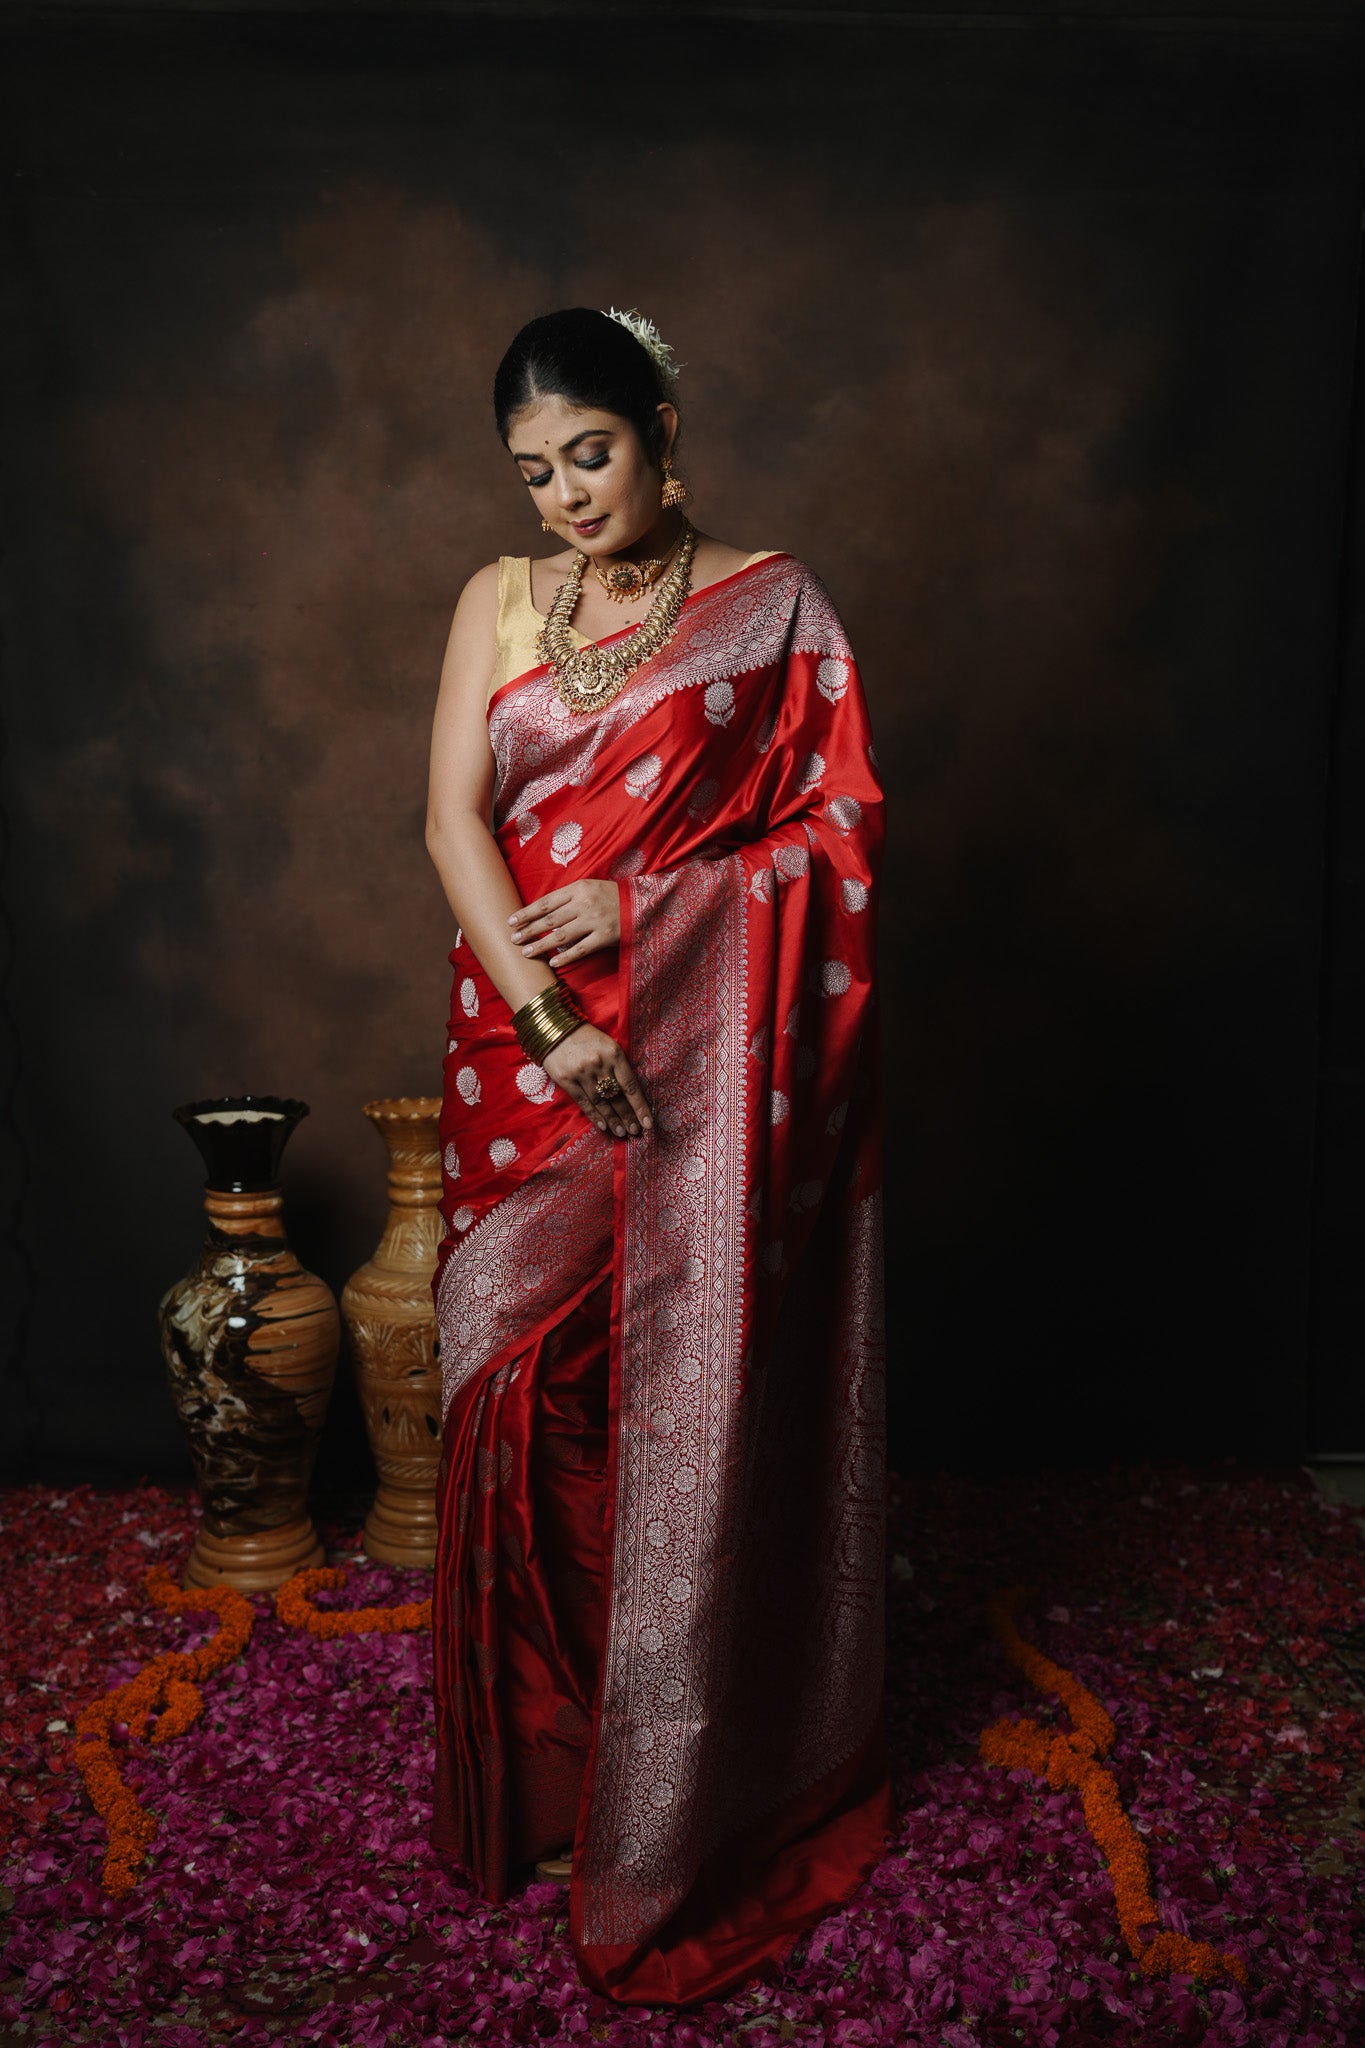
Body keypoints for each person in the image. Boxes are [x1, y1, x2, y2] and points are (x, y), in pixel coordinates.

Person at [423, 305, 893, 2007]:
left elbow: (836, 836)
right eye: (534, 472)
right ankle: (544, 1784)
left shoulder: (772, 605)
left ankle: (668, 1779)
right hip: (523, 1055)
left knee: (643, 1407)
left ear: (663, 431)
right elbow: (451, 821)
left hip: (699, 1048)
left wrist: (649, 909)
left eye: (591, 454)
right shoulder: (495, 598)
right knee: (514, 1405)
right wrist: (551, 1017)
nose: (564, 496)